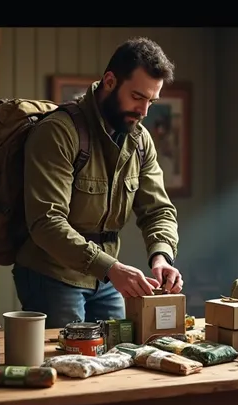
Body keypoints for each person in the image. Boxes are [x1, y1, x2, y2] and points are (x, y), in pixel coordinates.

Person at [13, 37, 183, 329]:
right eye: (137, 97)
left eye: (151, 101)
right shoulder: (58, 132)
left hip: (105, 279)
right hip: (52, 276)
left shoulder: (140, 141)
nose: (144, 111)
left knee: (118, 358)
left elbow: (158, 211)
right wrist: (111, 268)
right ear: (109, 81)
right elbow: (46, 222)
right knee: (68, 365)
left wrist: (161, 256)